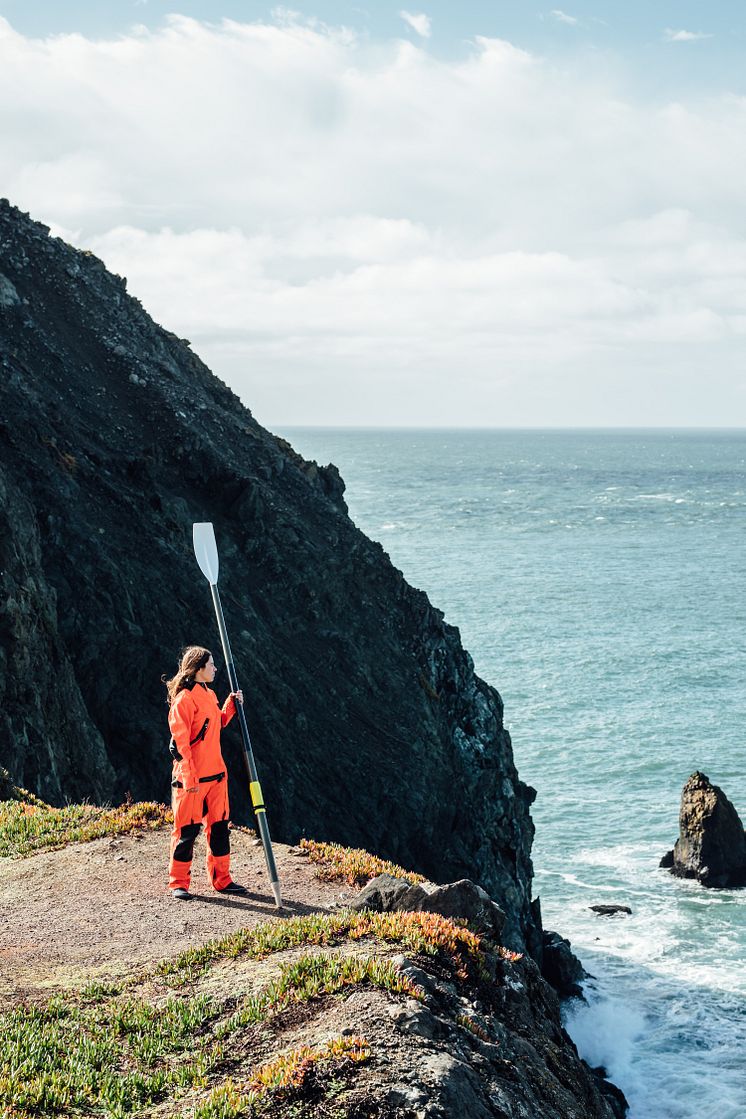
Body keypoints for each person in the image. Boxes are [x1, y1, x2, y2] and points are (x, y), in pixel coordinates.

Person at [163, 645, 249, 900]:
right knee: (186, 832)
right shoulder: (184, 700)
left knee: (220, 829)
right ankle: (178, 882)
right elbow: (180, 743)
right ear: (199, 668)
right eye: (211, 665)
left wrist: (231, 705)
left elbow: (217, 723)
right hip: (192, 780)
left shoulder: (208, 694)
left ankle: (222, 879)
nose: (215, 669)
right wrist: (189, 778)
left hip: (216, 777)